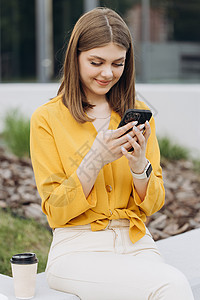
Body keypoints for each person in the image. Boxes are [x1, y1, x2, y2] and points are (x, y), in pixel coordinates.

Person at [30, 7, 194, 300]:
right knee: (171, 285)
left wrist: (138, 164)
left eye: (118, 63)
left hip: (137, 241)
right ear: (75, 57)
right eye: (96, 62)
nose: (108, 73)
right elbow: (56, 211)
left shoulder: (138, 115)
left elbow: (153, 203)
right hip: (78, 247)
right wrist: (94, 160)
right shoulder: (47, 119)